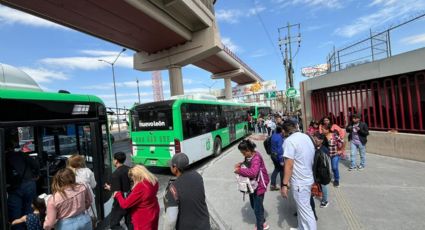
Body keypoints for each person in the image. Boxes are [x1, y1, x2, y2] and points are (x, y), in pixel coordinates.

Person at [281, 120, 317, 230]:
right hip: (307, 177)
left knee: (306, 211)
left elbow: (289, 165)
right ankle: (301, 227)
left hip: (300, 182)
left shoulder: (289, 141)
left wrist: (284, 184)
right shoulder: (306, 137)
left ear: (284, 130)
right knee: (302, 209)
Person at [163, 153, 210, 230]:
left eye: (171, 165)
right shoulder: (197, 176)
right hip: (204, 225)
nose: (170, 167)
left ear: (175, 168)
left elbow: (171, 220)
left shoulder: (173, 188)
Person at [5, 129, 40, 230]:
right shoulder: (21, 155)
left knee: (15, 212)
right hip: (29, 183)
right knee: (29, 209)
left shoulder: (3, 158)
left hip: (13, 188)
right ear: (12, 147)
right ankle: (30, 227)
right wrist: (36, 175)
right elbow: (35, 164)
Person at [234, 140, 270, 230]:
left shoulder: (256, 157)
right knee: (254, 205)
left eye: (243, 152)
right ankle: (263, 221)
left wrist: (240, 171)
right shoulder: (249, 156)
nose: (243, 155)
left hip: (260, 185)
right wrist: (241, 164)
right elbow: (247, 163)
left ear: (249, 150)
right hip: (252, 185)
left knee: (257, 209)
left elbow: (253, 173)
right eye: (241, 153)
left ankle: (260, 227)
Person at [114, 165, 160, 230]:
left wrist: (118, 194)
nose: (133, 180)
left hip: (143, 217)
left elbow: (125, 205)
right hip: (153, 211)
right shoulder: (153, 181)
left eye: (133, 178)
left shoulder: (141, 187)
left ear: (137, 176)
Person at [104, 152, 131, 230]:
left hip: (120, 202)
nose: (112, 161)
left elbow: (117, 191)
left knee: (114, 223)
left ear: (116, 161)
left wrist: (110, 188)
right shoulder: (129, 169)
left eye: (113, 159)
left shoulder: (115, 174)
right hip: (130, 198)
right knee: (129, 222)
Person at [67, 154, 97, 221]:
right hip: (87, 197)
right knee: (90, 216)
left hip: (73, 198)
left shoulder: (68, 173)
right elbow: (93, 185)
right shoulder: (87, 171)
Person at [313, 133, 330, 208]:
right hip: (315, 170)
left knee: (324, 185)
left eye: (317, 139)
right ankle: (315, 193)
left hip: (323, 171)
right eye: (315, 138)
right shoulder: (314, 147)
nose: (315, 140)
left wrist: (327, 173)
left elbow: (327, 163)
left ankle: (325, 200)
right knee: (315, 183)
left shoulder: (324, 150)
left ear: (322, 141)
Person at [270, 126, 284, 191]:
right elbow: (279, 150)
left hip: (272, 155)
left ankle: (272, 184)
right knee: (282, 170)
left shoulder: (273, 135)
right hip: (277, 156)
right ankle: (283, 185)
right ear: (281, 131)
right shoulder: (279, 138)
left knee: (276, 169)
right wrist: (281, 160)